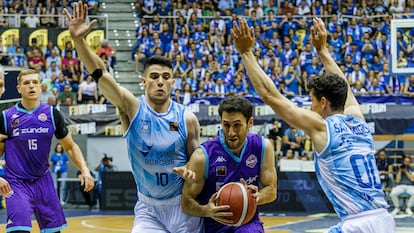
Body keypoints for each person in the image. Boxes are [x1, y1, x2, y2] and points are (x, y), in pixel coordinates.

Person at [231, 18, 395, 232]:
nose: (310, 107)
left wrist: (246, 53)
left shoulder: (321, 127)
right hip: (384, 219)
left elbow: (270, 96)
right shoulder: (358, 119)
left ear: (323, 102)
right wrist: (322, 50)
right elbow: (344, 87)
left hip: (357, 224)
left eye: (312, 101)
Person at [64, 2, 203, 232]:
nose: (160, 81)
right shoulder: (132, 107)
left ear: (173, 83)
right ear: (143, 81)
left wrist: (191, 169)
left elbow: (198, 159)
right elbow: (103, 77)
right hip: (148, 208)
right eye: (155, 76)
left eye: (166, 77)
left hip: (182, 205)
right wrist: (79, 41)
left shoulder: (187, 118)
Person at [0, 69, 95, 233]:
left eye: (35, 82)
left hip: (43, 181)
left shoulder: (52, 114)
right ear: (18, 89)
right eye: (27, 83)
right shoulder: (6, 117)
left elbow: (70, 146)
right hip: (16, 183)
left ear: (40, 86)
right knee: (18, 230)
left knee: (53, 231)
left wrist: (84, 169)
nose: (31, 86)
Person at [181, 96, 277, 233]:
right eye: (226, 125)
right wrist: (205, 210)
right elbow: (186, 202)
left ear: (250, 122)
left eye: (237, 125)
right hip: (214, 225)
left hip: (248, 223)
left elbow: (271, 190)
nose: (231, 132)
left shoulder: (262, 147)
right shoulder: (203, 155)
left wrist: (258, 197)